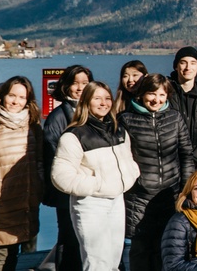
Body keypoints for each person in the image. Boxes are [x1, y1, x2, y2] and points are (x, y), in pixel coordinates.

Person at [51, 81, 140, 270]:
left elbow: (129, 160)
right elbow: (61, 176)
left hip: (117, 200)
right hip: (90, 204)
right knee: (97, 263)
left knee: (114, 260)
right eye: (97, 98)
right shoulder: (74, 135)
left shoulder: (118, 130)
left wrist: (129, 177)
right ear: (86, 102)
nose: (103, 103)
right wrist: (97, 185)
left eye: (107, 98)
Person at [118, 73, 194, 271]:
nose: (157, 100)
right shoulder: (126, 119)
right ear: (142, 94)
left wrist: (184, 190)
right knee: (140, 251)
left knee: (168, 249)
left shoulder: (175, 118)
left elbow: (186, 154)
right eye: (152, 94)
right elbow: (121, 158)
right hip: (139, 197)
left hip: (170, 195)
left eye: (162, 95)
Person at [0, 76, 43, 271]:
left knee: (12, 260)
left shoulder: (33, 127)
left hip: (24, 208)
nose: (15, 101)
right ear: (2, 96)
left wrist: (37, 188)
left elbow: (39, 162)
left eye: (21, 97)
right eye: (12, 95)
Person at [42, 64, 93, 270]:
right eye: (75, 83)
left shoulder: (92, 112)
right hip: (67, 192)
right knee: (69, 240)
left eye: (85, 83)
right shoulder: (58, 117)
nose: (80, 88)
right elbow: (53, 156)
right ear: (65, 86)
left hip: (89, 189)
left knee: (87, 240)